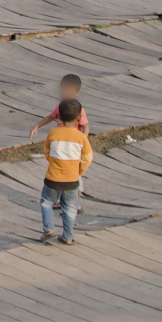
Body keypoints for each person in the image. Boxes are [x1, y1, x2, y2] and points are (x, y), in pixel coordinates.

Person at [30, 74, 90, 213]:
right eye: (63, 90)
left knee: (75, 178)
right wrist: (37, 125)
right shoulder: (61, 107)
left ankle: (76, 204)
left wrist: (83, 141)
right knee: (61, 176)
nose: (65, 93)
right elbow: (51, 117)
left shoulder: (78, 109)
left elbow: (86, 126)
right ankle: (63, 201)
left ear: (77, 93)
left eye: (68, 91)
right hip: (61, 146)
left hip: (73, 148)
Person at [39, 99, 92, 246]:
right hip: (72, 180)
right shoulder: (81, 137)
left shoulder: (53, 132)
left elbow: (47, 152)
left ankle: (48, 230)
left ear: (59, 118)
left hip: (52, 178)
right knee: (69, 208)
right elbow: (87, 158)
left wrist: (53, 162)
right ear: (78, 119)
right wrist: (79, 171)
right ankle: (68, 237)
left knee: (46, 203)